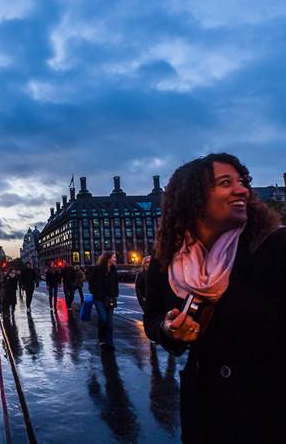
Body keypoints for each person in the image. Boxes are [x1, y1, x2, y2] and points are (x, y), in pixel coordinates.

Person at [143, 153, 286, 444]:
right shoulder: (167, 262)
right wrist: (168, 330)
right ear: (194, 198)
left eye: (243, 182)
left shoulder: (274, 247)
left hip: (269, 409)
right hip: (205, 409)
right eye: (225, 182)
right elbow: (153, 317)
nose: (243, 189)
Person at [88, 251, 119, 350]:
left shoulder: (114, 269)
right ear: (108, 258)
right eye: (114, 257)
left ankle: (109, 343)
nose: (115, 259)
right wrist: (97, 293)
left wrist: (115, 294)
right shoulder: (97, 269)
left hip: (110, 298)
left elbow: (115, 283)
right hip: (99, 299)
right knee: (104, 319)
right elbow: (91, 283)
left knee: (109, 322)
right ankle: (102, 339)